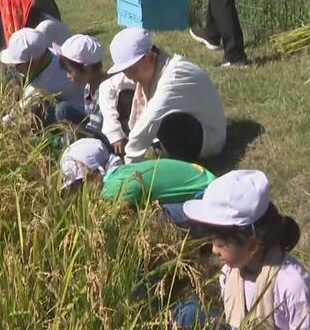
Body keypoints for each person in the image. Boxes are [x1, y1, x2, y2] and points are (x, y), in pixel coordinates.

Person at [173, 170, 310, 330]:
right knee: (188, 314)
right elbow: (235, 327)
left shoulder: (292, 284)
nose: (214, 250)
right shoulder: (230, 273)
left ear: (252, 244)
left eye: (219, 243)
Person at [107, 27, 227, 164]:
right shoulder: (154, 67)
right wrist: (114, 132)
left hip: (209, 139)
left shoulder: (174, 76)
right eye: (124, 71)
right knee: (125, 95)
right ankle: (162, 150)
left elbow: (152, 117)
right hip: (189, 125)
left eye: (131, 69)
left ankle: (181, 164)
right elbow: (107, 86)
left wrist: (130, 163)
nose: (128, 75)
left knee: (168, 123)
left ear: (150, 56)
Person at [60, 138, 215, 214]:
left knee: (154, 218)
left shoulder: (115, 187)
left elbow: (117, 221)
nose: (78, 194)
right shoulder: (122, 173)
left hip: (207, 199)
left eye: (79, 185)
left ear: (93, 174)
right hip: (207, 182)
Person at [53, 34, 135, 147]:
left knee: (75, 132)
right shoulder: (88, 88)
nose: (68, 76)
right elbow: (89, 114)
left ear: (87, 68)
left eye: (70, 71)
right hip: (95, 125)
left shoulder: (103, 93)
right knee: (63, 109)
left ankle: (66, 144)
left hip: (107, 138)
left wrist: (76, 131)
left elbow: (97, 130)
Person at [0, 28, 84, 128]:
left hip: (81, 115)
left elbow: (16, 113)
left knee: (42, 112)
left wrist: (0, 124)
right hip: (76, 102)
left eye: (18, 64)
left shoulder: (45, 83)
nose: (15, 67)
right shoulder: (51, 55)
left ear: (33, 62)